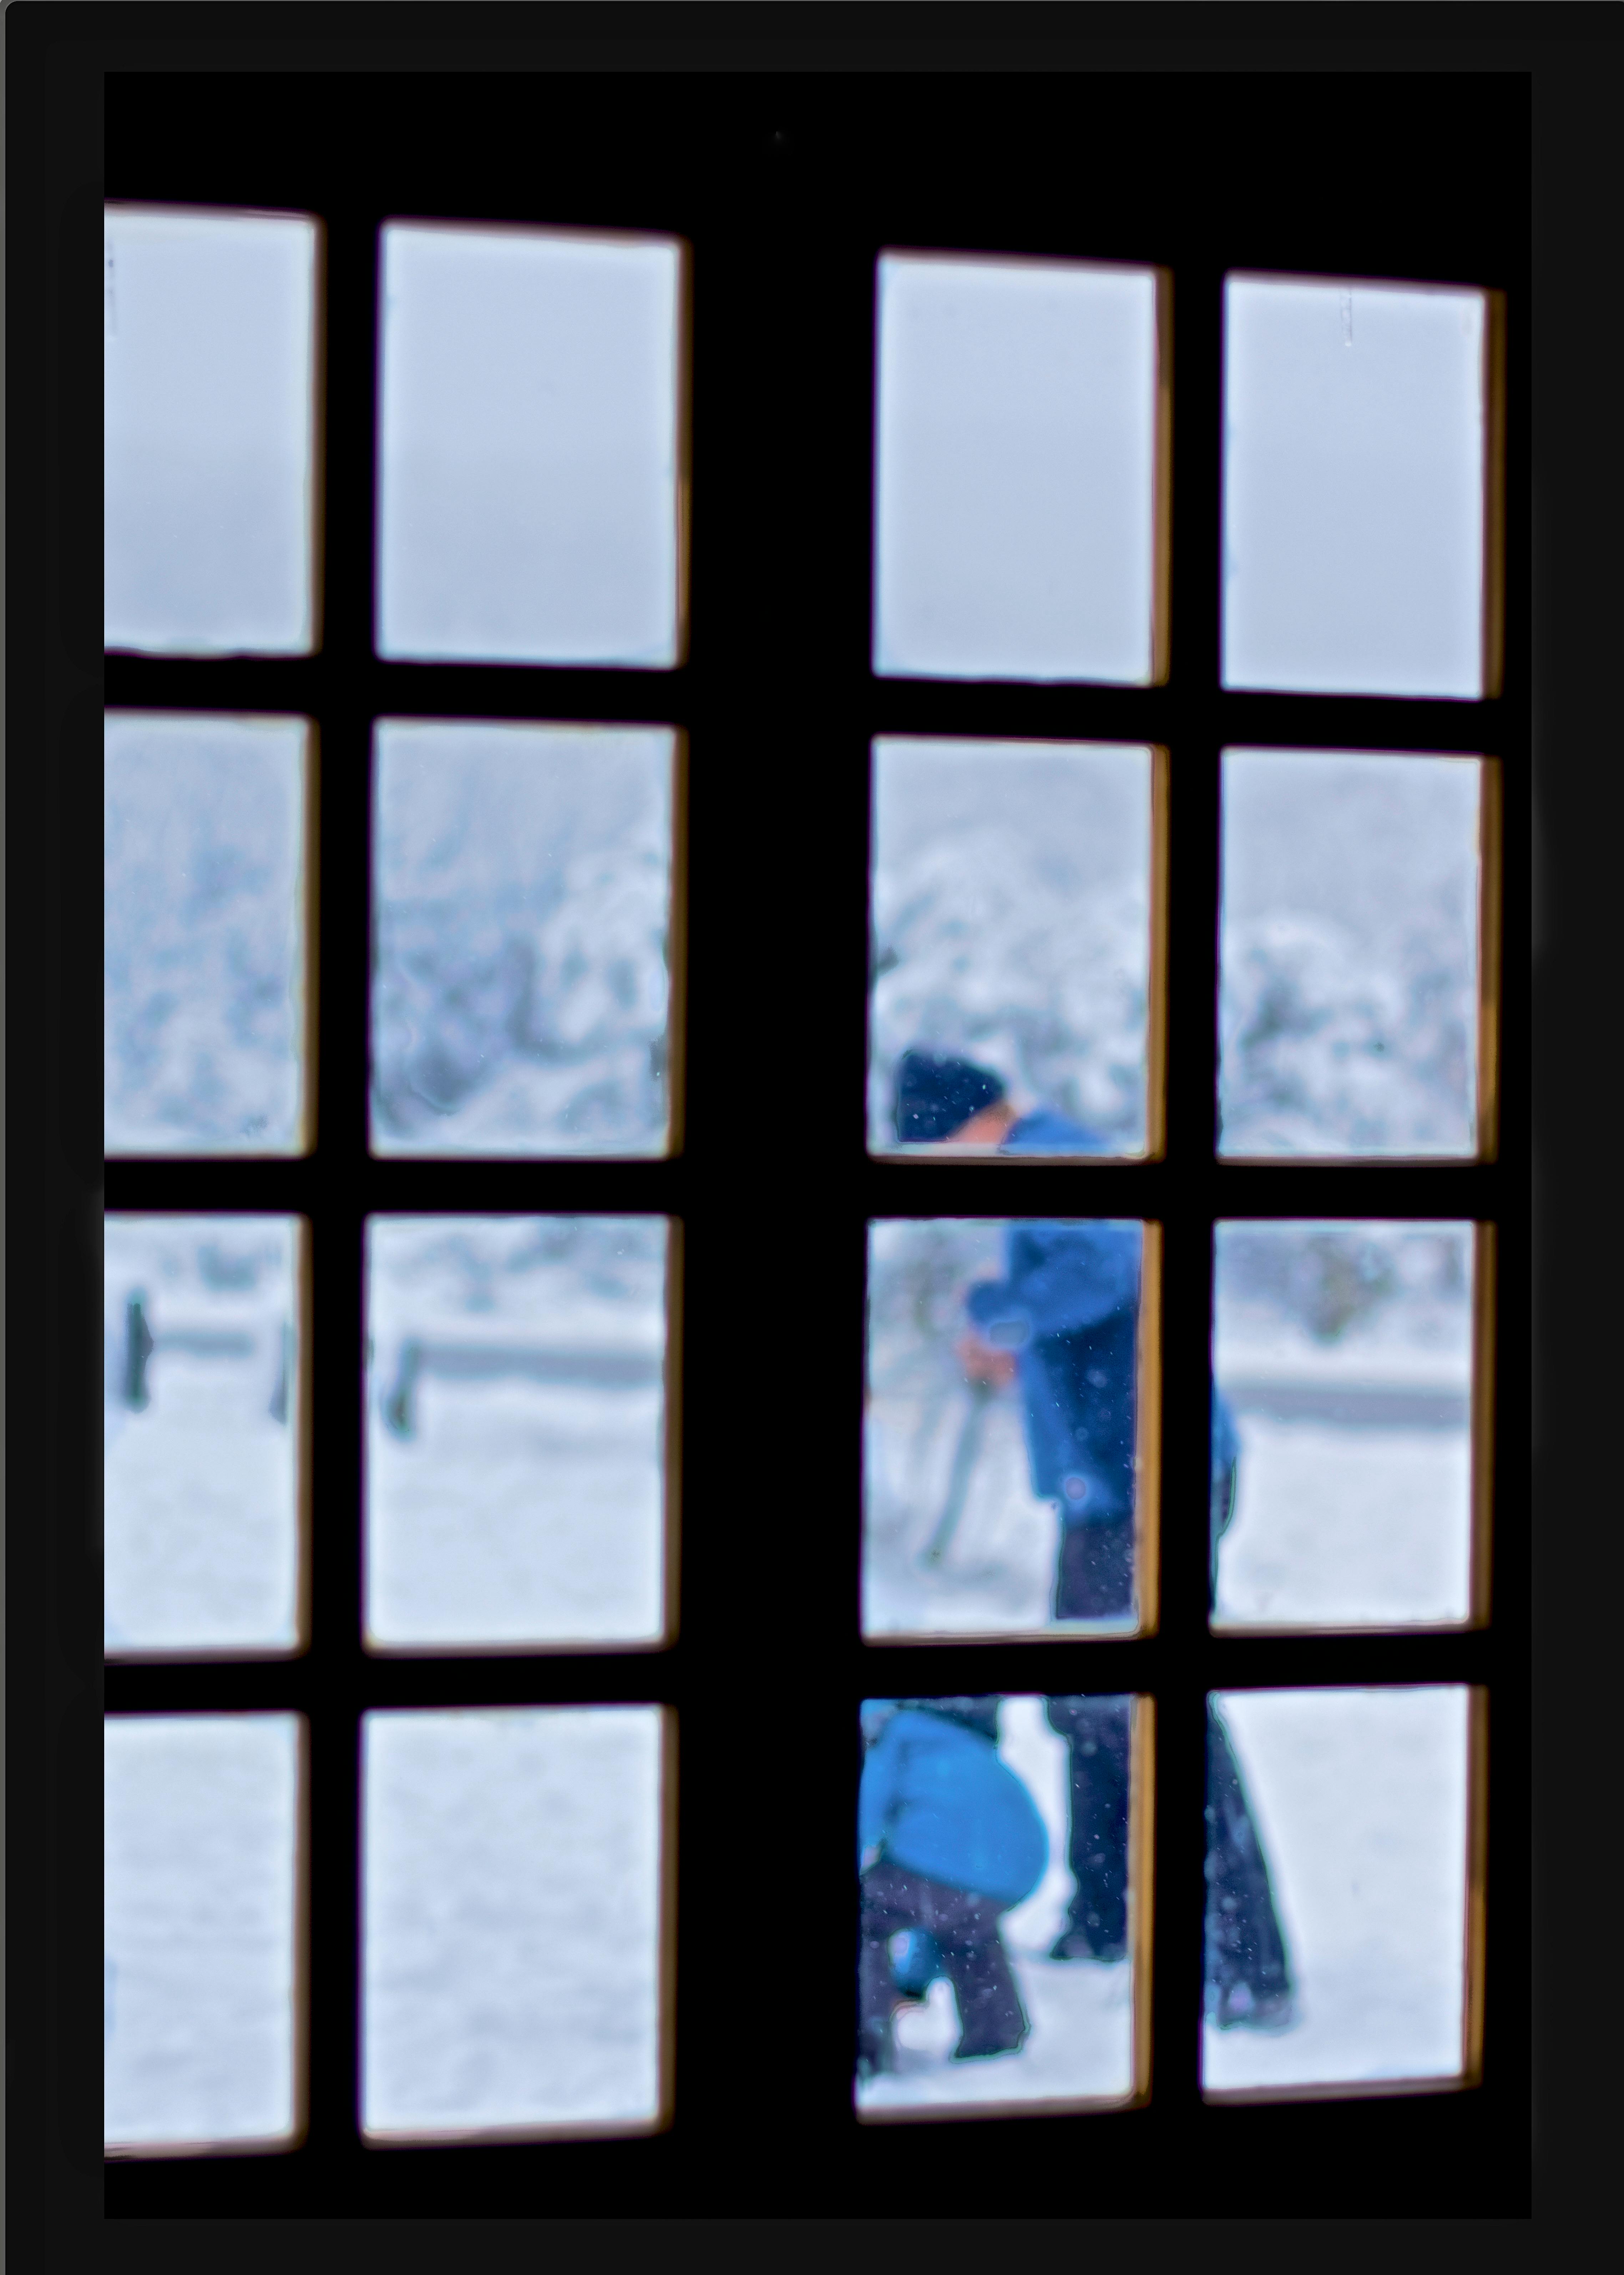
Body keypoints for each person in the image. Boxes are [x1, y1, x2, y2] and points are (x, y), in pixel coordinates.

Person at [892, 1049, 1294, 2028]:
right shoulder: (1047, 1154)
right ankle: (1105, 1913)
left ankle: (1247, 1958)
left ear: (961, 1122)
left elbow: (1102, 1264)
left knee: (1152, 1705)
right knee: (1087, 1695)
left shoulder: (1051, 1156)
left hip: (1143, 1475)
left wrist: (1001, 1312)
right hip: (1116, 1479)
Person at [857, 1695, 1048, 2079]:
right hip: (1012, 1873)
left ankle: (866, 2042)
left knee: (866, 1915)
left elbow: (864, 1814)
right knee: (967, 1928)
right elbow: (942, 1907)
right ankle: (996, 2036)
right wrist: (912, 1984)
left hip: (948, 1869)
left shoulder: (896, 1737)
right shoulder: (958, 1741)